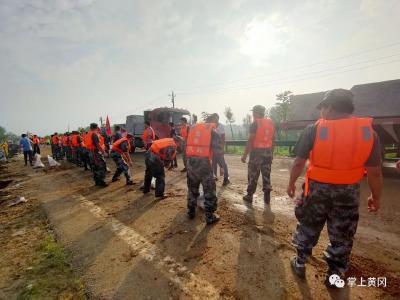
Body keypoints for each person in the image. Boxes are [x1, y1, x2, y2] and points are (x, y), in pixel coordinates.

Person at [287, 89, 383, 287]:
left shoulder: (313, 129)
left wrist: (291, 183)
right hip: (348, 192)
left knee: (308, 224)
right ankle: (335, 275)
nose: (321, 113)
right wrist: (376, 197)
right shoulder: (368, 132)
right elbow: (375, 172)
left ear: (329, 108)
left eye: (322, 108)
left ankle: (300, 262)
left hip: (316, 190)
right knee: (343, 232)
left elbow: (298, 162)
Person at [186, 118, 221, 225]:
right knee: (209, 190)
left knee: (192, 188)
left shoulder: (192, 130)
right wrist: (221, 166)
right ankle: (210, 216)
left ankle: (191, 211)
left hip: (190, 161)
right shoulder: (213, 132)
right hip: (203, 163)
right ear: (212, 123)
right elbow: (217, 151)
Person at [241, 105, 275, 205]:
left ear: (255, 113)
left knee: (253, 175)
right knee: (266, 174)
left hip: (256, 153)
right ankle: (267, 195)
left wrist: (244, 155)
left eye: (253, 113)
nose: (252, 115)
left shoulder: (255, 124)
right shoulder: (270, 123)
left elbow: (250, 140)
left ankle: (250, 195)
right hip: (268, 152)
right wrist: (271, 154)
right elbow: (273, 140)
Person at [210, 113, 230, 186]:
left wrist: (222, 149)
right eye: (213, 118)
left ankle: (226, 178)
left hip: (219, 148)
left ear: (218, 119)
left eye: (215, 118)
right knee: (213, 164)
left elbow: (223, 138)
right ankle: (214, 177)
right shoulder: (211, 126)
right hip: (213, 149)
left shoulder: (221, 126)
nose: (214, 120)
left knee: (223, 164)